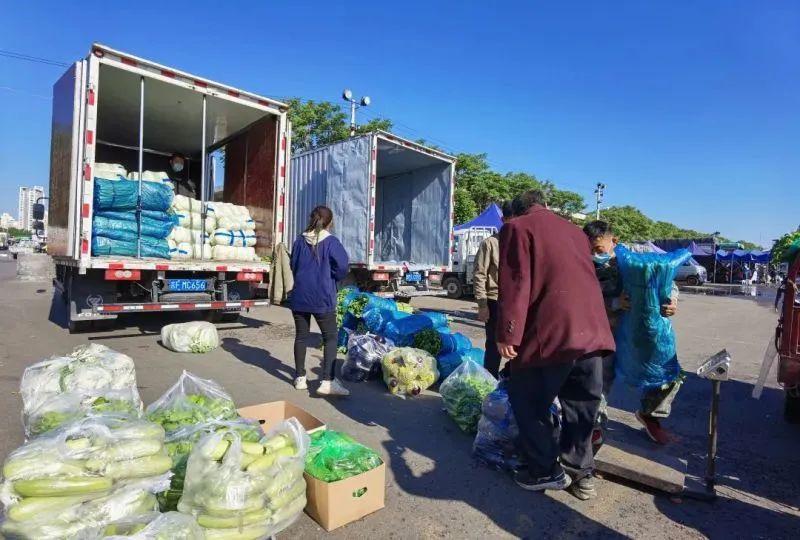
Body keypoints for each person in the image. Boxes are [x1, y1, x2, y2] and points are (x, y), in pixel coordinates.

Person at [496, 190, 615, 500]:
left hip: (552, 336)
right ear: (546, 205)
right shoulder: (576, 232)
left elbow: (516, 285)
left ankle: (543, 471)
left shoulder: (518, 228)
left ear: (518, 212)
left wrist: (508, 334)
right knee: (581, 408)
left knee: (529, 402)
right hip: (592, 335)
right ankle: (581, 475)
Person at [582, 221, 679, 446]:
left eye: (599, 250)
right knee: (599, 380)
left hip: (642, 332)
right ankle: (596, 425)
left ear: (614, 241)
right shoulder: (585, 266)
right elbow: (582, 300)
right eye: (589, 251)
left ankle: (651, 415)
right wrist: (614, 302)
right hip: (607, 331)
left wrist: (671, 300)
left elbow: (666, 279)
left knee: (667, 375)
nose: (594, 255)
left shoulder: (638, 259)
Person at [289, 205, 350, 396]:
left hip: (299, 296)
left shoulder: (299, 240)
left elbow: (294, 265)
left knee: (301, 336)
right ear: (330, 222)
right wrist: (330, 276)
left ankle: (300, 378)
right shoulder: (331, 242)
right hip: (323, 297)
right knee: (330, 338)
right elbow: (342, 267)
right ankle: (327, 381)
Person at [473, 200, 514, 378]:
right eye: (513, 220)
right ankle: (488, 381)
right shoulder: (490, 244)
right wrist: (482, 305)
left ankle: (509, 381)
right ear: (504, 219)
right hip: (494, 301)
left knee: (516, 345)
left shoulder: (522, 244)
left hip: (516, 304)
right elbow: (479, 274)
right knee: (494, 345)